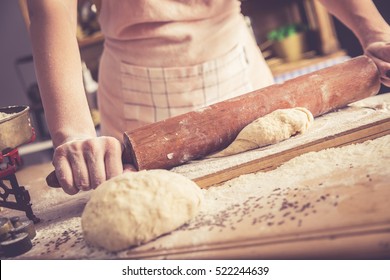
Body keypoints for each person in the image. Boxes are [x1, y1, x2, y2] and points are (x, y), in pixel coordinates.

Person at [26, 0, 390, 195]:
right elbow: (52, 7)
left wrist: (375, 32)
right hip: (139, 102)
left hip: (241, 80)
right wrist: (72, 131)